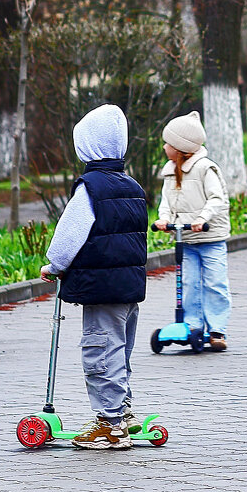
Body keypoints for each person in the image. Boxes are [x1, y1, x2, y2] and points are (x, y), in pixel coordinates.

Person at [40, 104, 147, 450]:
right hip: (129, 287)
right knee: (121, 350)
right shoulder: (132, 185)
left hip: (102, 290)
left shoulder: (90, 188)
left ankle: (109, 423)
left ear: (87, 146)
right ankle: (123, 411)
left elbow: (69, 236)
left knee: (99, 351)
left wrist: (54, 265)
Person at [152, 111, 232, 351]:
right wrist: (163, 219)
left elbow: (217, 199)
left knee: (215, 283)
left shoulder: (205, 169)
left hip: (210, 237)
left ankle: (217, 330)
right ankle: (192, 326)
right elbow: (166, 201)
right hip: (185, 238)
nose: (165, 146)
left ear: (180, 147)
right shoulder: (169, 171)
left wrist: (202, 218)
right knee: (188, 283)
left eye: (168, 143)